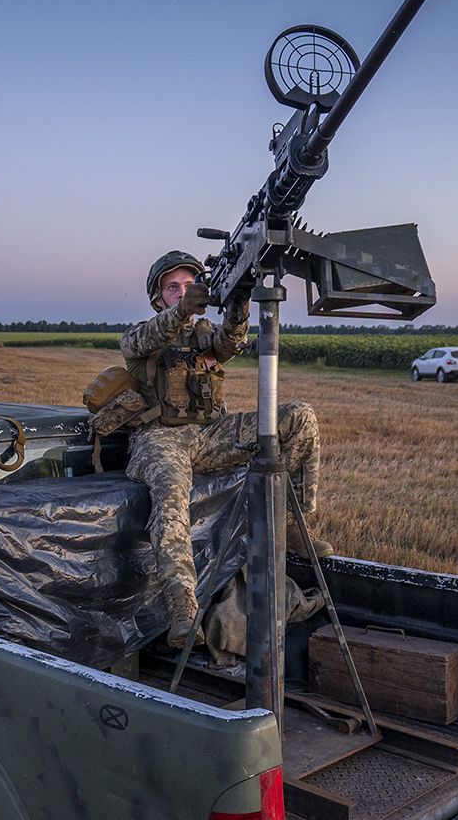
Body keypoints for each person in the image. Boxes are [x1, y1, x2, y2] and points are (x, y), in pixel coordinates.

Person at [119, 251, 323, 647]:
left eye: (189, 286)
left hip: (210, 434)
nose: (182, 293)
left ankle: (293, 522)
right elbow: (149, 337)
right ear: (158, 299)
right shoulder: (139, 335)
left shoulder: (205, 334)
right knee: (171, 497)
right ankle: (182, 604)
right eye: (173, 288)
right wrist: (182, 312)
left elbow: (230, 342)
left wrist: (238, 305)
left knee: (299, 417)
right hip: (159, 437)